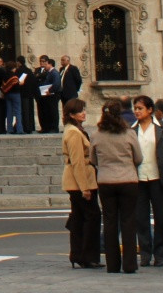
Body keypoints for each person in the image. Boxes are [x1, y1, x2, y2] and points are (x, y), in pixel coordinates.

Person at [92, 98, 143, 273]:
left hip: (106, 180)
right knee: (129, 222)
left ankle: (112, 264)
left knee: (109, 222)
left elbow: (92, 159)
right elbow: (138, 158)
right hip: (128, 179)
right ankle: (130, 264)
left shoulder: (97, 135)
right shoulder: (129, 134)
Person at [132, 94, 163, 267]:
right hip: (139, 178)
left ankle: (160, 253)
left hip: (158, 177)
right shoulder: (132, 129)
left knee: (161, 218)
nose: (136, 111)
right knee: (141, 218)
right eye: (135, 108)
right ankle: (145, 253)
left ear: (150, 110)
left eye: (140, 108)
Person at [62, 98, 101, 268]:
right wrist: (84, 187)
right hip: (80, 181)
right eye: (79, 111)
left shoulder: (76, 130)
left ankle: (78, 254)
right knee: (92, 216)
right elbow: (77, 161)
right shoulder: (73, 132)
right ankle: (87, 255)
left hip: (79, 180)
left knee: (78, 217)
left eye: (84, 110)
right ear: (71, 114)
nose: (83, 113)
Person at [35, 56, 61, 133]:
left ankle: (54, 128)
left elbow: (56, 84)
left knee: (53, 111)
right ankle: (47, 128)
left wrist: (50, 90)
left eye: (46, 64)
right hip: (47, 95)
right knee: (47, 111)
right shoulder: (49, 73)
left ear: (50, 64)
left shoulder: (54, 73)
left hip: (52, 95)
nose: (44, 66)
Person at [2, 56, 27, 134]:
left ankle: (9, 129)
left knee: (9, 112)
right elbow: (16, 85)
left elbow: (4, 85)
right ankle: (19, 129)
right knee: (18, 112)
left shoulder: (5, 75)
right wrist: (20, 83)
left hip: (7, 94)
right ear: (13, 68)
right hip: (15, 94)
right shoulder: (14, 76)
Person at [18, 56, 39, 134]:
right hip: (30, 94)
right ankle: (31, 126)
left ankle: (26, 127)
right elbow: (34, 82)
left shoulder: (19, 71)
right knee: (30, 110)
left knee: (24, 111)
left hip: (23, 94)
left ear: (19, 62)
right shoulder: (29, 71)